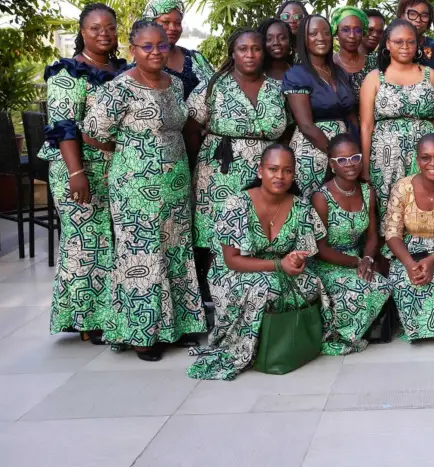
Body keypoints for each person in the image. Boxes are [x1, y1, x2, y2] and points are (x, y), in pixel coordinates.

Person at [83, 20, 205, 360]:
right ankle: (142, 334)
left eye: (161, 45)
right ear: (132, 50)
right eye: (147, 46)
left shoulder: (176, 84)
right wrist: (133, 153)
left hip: (176, 183)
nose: (155, 52)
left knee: (176, 252)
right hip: (135, 186)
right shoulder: (119, 88)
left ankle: (175, 326)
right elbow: (93, 133)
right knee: (143, 257)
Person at [187, 144, 344, 380]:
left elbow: (306, 250)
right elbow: (232, 261)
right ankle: (250, 348)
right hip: (234, 273)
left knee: (312, 282)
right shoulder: (237, 205)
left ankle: (289, 341)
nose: (280, 176)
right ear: (260, 171)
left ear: (293, 174)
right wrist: (279, 265)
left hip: (279, 268)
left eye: (287, 171)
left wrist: (296, 259)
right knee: (265, 287)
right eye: (273, 169)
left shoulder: (301, 207)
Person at [185, 29, 288, 308]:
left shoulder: (277, 88)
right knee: (218, 233)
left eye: (256, 49)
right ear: (233, 53)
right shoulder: (213, 86)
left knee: (256, 231)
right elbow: (192, 129)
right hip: (220, 171)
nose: (250, 54)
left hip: (265, 174)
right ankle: (216, 300)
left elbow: (287, 130)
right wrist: (196, 167)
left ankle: (254, 298)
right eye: (243, 49)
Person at [42, 3, 126, 343]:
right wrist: (77, 172)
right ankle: (86, 320)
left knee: (111, 242)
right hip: (77, 168)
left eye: (109, 27)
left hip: (116, 168)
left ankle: (111, 313)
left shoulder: (125, 70)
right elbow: (63, 127)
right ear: (82, 32)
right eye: (95, 28)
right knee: (84, 243)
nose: (103, 33)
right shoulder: (67, 73)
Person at [359, 18, 434, 218]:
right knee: (390, 205)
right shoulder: (375, 78)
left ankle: (427, 245)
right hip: (386, 156)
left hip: (425, 153)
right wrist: (365, 167)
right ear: (388, 44)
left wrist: (418, 131)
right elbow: (366, 125)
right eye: (398, 42)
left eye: (411, 41)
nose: (405, 47)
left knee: (426, 201)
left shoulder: (430, 75)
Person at [310, 134, 391, 351]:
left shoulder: (367, 191)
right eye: (342, 160)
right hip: (328, 263)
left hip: (358, 259)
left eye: (355, 157)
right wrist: (356, 262)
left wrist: (367, 258)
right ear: (332, 164)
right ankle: (341, 337)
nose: (350, 164)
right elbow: (319, 249)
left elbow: (373, 235)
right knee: (357, 289)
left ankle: (359, 329)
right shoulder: (322, 197)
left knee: (382, 285)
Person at [382, 135, 434, 341]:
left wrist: (432, 260)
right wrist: (410, 264)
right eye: (426, 158)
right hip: (407, 251)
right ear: (417, 160)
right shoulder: (403, 187)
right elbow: (392, 233)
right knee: (405, 281)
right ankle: (415, 331)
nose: (433, 163)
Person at [283, 14, 358, 198]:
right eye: (313, 33)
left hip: (345, 152)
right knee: (312, 206)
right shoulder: (297, 75)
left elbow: (351, 115)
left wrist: (353, 150)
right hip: (312, 152)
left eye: (325, 32)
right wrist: (336, 155)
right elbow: (306, 126)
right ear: (303, 38)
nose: (321, 38)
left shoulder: (339, 72)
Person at [142, 0, 214, 99]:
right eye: (166, 22)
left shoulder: (196, 59)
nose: (173, 28)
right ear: (150, 24)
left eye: (178, 23)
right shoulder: (142, 64)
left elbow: (218, 90)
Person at [398, 0, 434, 77]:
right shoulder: (390, 46)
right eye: (412, 14)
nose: (418, 20)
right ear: (401, 15)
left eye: (424, 15)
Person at [330, 6, 373, 101]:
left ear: (363, 33)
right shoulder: (328, 64)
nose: (352, 35)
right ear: (337, 32)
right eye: (346, 30)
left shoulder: (373, 63)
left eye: (357, 30)